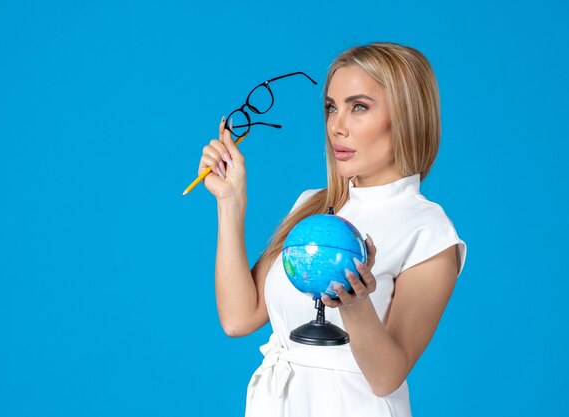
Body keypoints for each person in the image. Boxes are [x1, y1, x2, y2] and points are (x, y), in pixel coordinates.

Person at [197, 42, 467, 417]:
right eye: (330, 107)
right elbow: (239, 318)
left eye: (358, 107)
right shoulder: (313, 206)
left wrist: (355, 305)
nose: (336, 126)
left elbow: (387, 377)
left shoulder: (429, 231)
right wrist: (230, 202)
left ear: (406, 116)